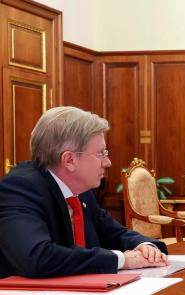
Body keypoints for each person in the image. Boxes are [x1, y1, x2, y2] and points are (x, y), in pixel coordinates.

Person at [0, 106, 168, 278]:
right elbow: (37, 257)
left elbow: (114, 233)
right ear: (69, 160)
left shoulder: (81, 189)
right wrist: (121, 260)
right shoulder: (20, 189)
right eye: (101, 153)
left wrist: (146, 247)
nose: (108, 162)